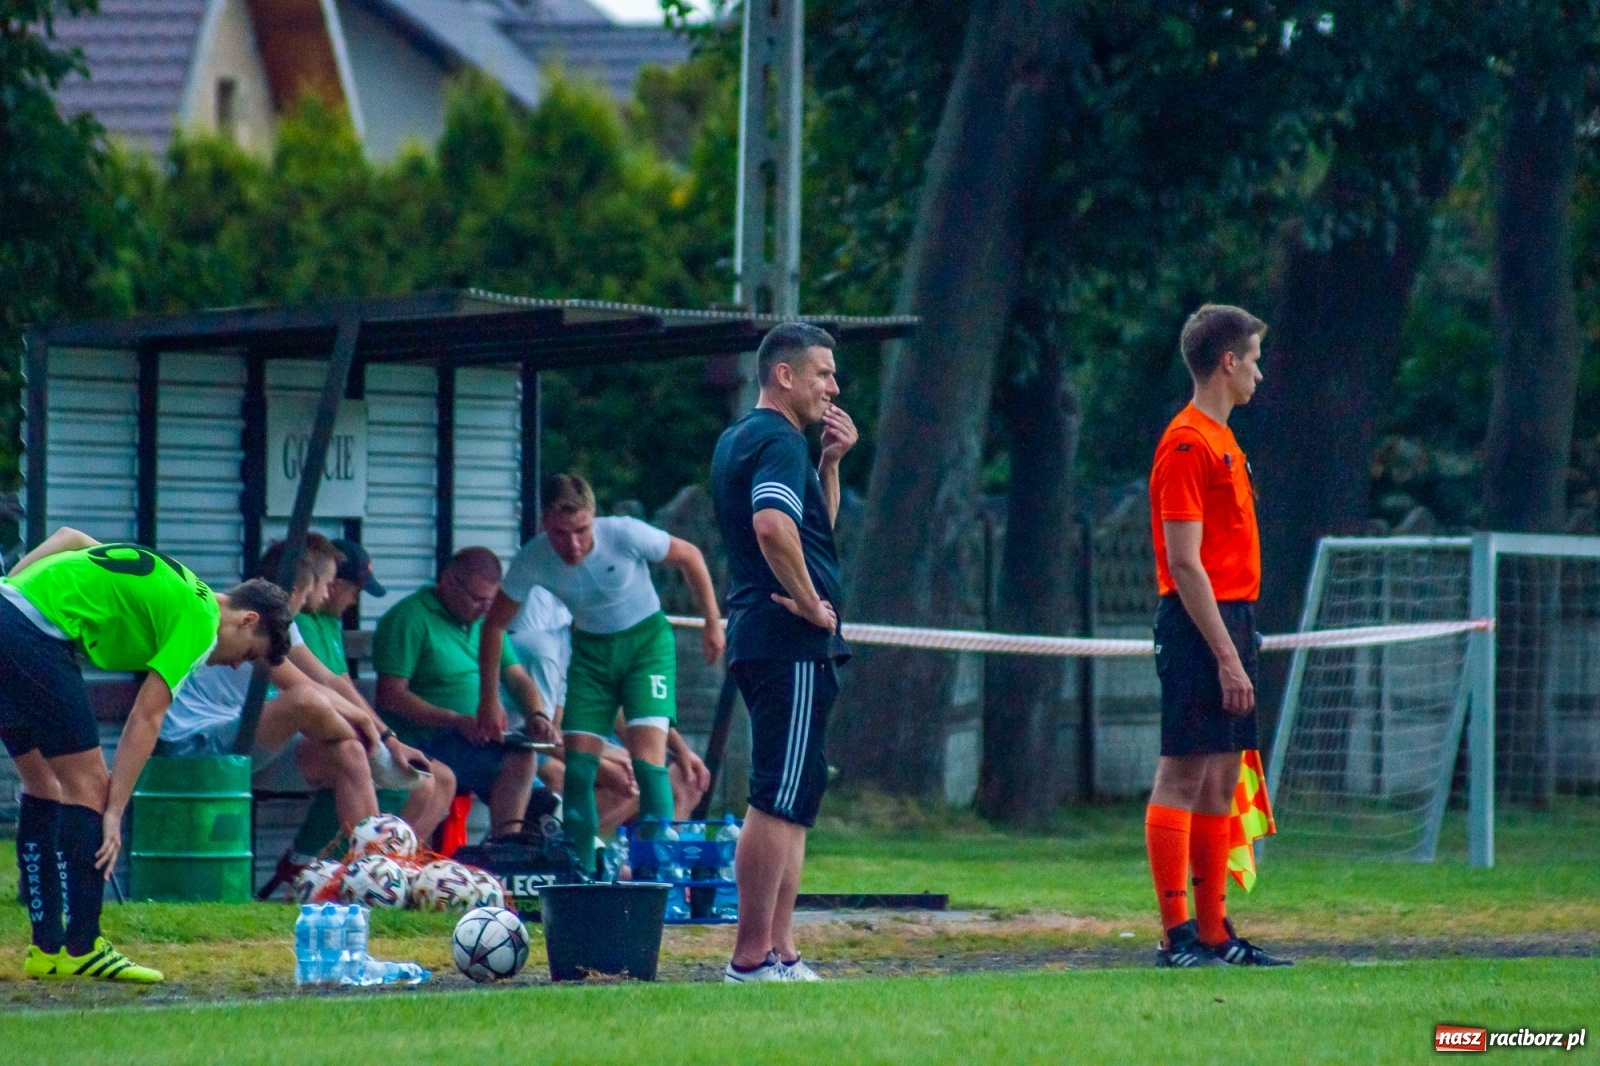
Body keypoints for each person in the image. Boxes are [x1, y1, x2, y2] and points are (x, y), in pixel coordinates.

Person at [0, 528, 291, 981]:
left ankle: (46, 951)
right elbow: (147, 717)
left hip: (10, 620)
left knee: (45, 785)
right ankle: (83, 945)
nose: (236, 664)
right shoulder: (200, 622)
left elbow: (71, 537)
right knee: (90, 788)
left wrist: (9, 593)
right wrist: (114, 810)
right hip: (34, 636)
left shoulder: (183, 585)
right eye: (248, 655)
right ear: (247, 620)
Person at [709, 323, 855, 983]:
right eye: (823, 373)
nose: (834, 386)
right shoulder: (776, 439)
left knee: (794, 794)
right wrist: (807, 603)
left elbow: (809, 527)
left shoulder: (747, 439)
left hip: (769, 639)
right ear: (785, 376)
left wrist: (830, 464)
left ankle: (782, 950)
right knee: (774, 795)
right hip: (786, 639)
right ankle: (749, 958)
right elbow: (772, 528)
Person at [1146, 304, 1290, 968]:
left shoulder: (1227, 440)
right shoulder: (1187, 442)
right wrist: (1227, 656)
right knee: (1183, 770)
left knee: (1224, 775)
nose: (1260, 371)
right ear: (1227, 362)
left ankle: (1214, 933)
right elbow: (1183, 562)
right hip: (1199, 622)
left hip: (1235, 618)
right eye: (1254, 358)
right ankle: (1176, 934)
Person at [478, 475, 717, 875]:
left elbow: (690, 555)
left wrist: (712, 621)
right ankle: (581, 877)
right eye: (560, 533)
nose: (572, 545)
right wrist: (488, 699)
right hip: (591, 653)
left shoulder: (623, 534)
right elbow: (493, 627)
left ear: (594, 518)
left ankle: (651, 878)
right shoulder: (533, 558)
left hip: (645, 648)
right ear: (544, 525)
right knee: (580, 769)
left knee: (647, 763)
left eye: (581, 531)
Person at [244, 538, 458, 896]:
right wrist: (377, 737)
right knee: (316, 711)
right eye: (324, 584)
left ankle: (379, 879)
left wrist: (383, 738)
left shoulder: (288, 622)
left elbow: (328, 680)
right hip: (221, 746)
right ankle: (349, 871)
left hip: (269, 740)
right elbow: (310, 690)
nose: (327, 595)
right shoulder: (261, 619)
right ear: (301, 588)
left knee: (350, 752)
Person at [374, 547, 557, 840]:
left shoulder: (486, 622)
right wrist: (455, 720)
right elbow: (391, 696)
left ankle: (505, 848)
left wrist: (537, 715)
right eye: (477, 599)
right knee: (530, 780)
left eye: (491, 600)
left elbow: (518, 677)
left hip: (474, 738)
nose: (486, 609)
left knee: (531, 768)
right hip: (425, 740)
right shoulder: (409, 618)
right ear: (448, 582)